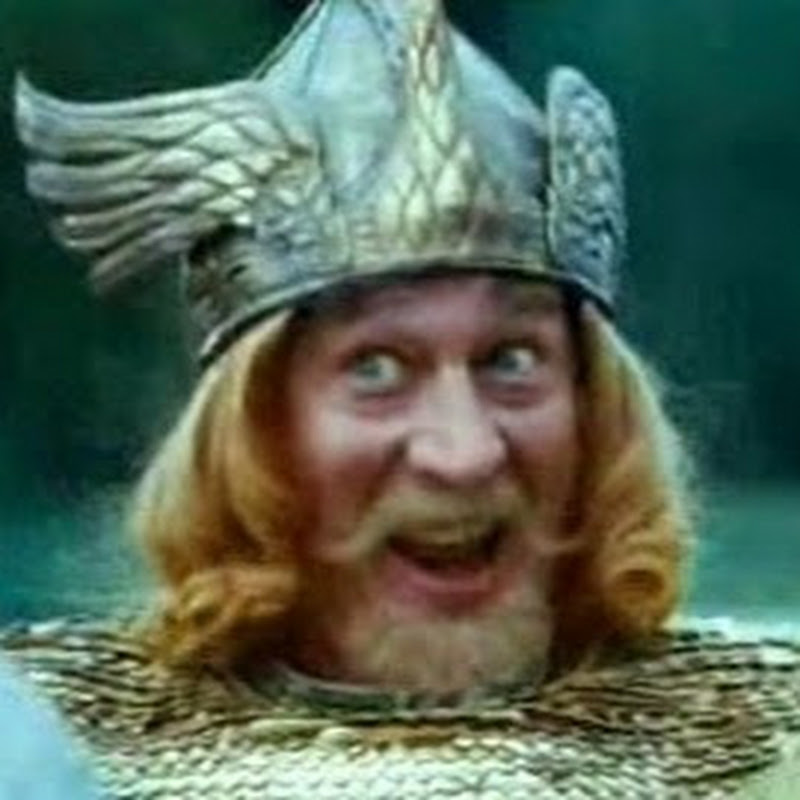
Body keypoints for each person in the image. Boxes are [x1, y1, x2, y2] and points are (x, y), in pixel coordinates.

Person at [4, 0, 799, 797]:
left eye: (511, 360)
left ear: (596, 410)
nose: (465, 452)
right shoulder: (37, 750)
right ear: (258, 430)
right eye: (376, 369)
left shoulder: (773, 742)